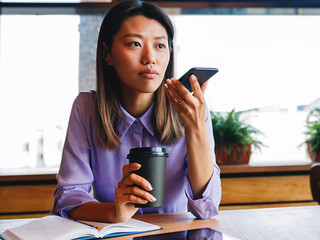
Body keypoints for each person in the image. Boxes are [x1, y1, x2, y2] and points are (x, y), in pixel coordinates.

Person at [51, 0, 221, 223]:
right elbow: (68, 197)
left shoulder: (191, 109)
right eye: (134, 44)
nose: (150, 58)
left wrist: (195, 127)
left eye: (160, 46)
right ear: (107, 54)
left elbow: (206, 209)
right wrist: (114, 212)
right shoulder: (86, 108)